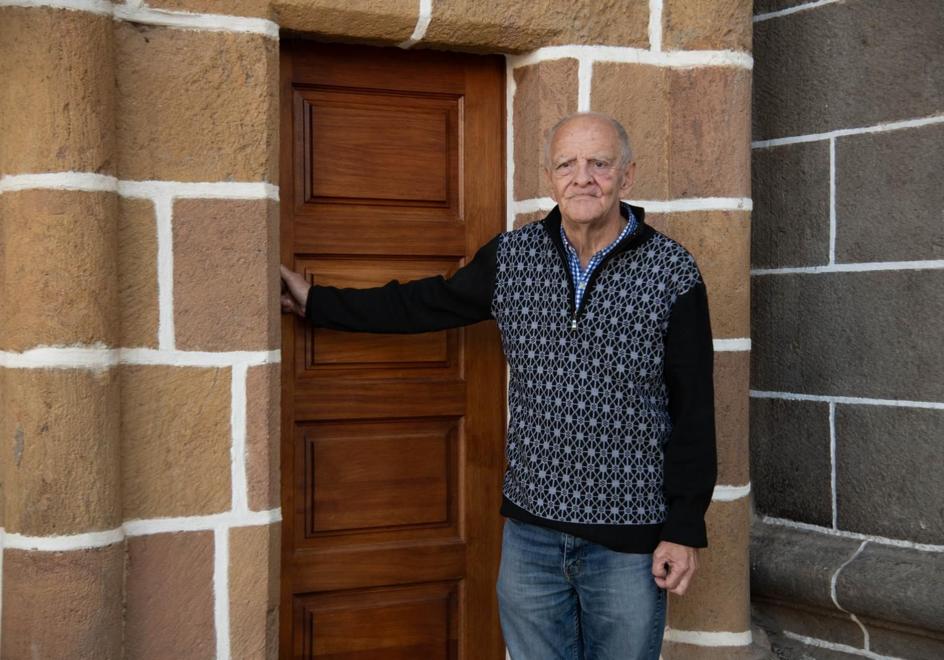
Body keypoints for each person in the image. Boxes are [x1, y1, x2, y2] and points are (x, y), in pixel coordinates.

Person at [280, 112, 716, 660]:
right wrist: (318, 302)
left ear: (627, 176)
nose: (583, 178)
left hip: (628, 540)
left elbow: (694, 410)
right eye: (567, 164)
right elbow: (424, 303)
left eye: (599, 164)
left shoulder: (672, 271)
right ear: (550, 177)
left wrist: (682, 527)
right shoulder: (512, 258)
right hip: (531, 536)